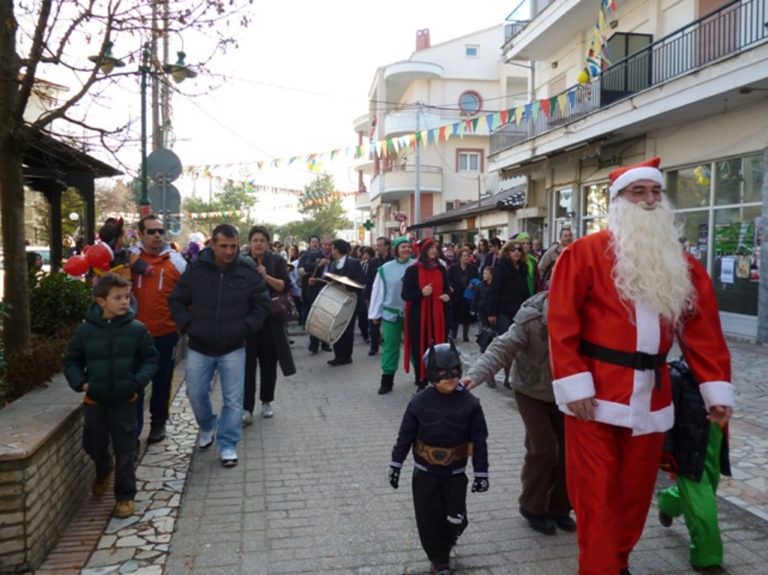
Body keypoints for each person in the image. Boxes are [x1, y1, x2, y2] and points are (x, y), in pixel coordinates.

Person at [547, 157, 733, 575]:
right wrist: (574, 385)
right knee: (595, 497)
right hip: (593, 397)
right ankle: (599, 568)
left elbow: (702, 330)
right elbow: (561, 323)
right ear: (619, 201)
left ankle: (616, 561)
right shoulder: (584, 254)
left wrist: (715, 389)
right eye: (639, 192)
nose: (649, 200)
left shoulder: (679, 262)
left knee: (634, 496)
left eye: (655, 192)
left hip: (653, 398)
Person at [463, 292, 574, 535]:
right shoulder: (530, 318)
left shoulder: (585, 312)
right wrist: (474, 376)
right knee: (544, 448)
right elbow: (501, 348)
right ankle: (532, 507)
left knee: (569, 452)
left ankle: (560, 507)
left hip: (567, 392)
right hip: (531, 390)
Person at [169, 224, 271, 468]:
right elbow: (176, 300)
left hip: (234, 347)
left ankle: (227, 444)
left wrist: (245, 328)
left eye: (233, 246)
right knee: (195, 393)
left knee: (234, 400)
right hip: (200, 345)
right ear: (212, 244)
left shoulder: (246, 271)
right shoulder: (196, 270)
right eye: (223, 246)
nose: (229, 251)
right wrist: (188, 326)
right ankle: (207, 425)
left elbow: (262, 304)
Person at [63, 273, 159, 519]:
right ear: (101, 301)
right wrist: (82, 383)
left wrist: (135, 382)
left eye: (127, 297)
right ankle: (103, 467)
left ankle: (125, 497)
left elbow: (151, 359)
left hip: (124, 401)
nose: (125, 302)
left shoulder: (137, 329)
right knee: (93, 444)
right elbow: (72, 360)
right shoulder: (85, 331)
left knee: (125, 449)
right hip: (95, 401)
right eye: (118, 297)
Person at [389, 341, 489, 575]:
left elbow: (480, 440)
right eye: (442, 372)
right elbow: (405, 436)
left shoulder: (470, 404)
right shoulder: (419, 402)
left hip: (455, 474)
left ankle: (449, 538)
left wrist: (481, 473)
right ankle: (439, 560)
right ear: (432, 373)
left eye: (454, 370)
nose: (450, 376)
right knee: (428, 517)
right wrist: (396, 465)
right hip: (424, 474)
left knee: (456, 517)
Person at [657, 359, 731, 574]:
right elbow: (666, 419)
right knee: (702, 503)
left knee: (702, 493)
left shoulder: (719, 372)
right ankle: (707, 558)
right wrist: (667, 454)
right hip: (687, 451)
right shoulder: (677, 376)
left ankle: (668, 501)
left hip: (712, 445)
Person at [130, 214, 187, 444]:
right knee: (134, 384)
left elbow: (189, 295)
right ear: (142, 234)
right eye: (151, 231)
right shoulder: (130, 259)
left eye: (160, 231)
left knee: (162, 381)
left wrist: (183, 325)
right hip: (133, 336)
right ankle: (132, 432)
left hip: (165, 333)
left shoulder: (177, 261)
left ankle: (158, 423)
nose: (157, 236)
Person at [242, 225, 295, 424]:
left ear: (268, 242)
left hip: (270, 320)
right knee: (247, 366)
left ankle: (266, 401)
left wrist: (265, 275)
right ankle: (246, 407)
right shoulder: (242, 261)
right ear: (250, 242)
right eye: (255, 240)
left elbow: (284, 286)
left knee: (268, 364)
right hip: (248, 321)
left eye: (262, 240)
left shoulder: (277, 260)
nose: (258, 244)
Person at [402, 238, 451, 390]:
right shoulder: (413, 270)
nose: (434, 251)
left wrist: (447, 296)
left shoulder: (441, 269)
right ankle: (421, 379)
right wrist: (421, 293)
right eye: (431, 248)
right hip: (418, 316)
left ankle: (436, 379)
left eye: (436, 248)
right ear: (424, 250)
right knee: (420, 348)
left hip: (438, 315)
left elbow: (447, 289)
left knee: (438, 347)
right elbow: (405, 294)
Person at [368, 237, 414, 394]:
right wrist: (375, 313)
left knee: (416, 346)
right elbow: (378, 292)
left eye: (408, 246)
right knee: (390, 347)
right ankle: (387, 381)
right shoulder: (385, 268)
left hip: (413, 314)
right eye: (403, 247)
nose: (406, 249)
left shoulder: (417, 266)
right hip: (391, 313)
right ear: (396, 249)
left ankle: (422, 377)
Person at [325, 238, 365, 366]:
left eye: (332, 248)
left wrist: (347, 285)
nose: (331, 251)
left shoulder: (354, 263)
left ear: (336, 249)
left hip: (350, 300)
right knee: (336, 326)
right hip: (336, 299)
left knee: (347, 328)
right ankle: (338, 355)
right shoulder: (332, 264)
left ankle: (346, 356)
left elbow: (361, 280)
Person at [488, 240, 531, 335]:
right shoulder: (500, 268)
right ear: (507, 252)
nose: (517, 252)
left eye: (519, 250)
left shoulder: (523, 268)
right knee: (507, 337)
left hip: (519, 309)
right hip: (504, 309)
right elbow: (494, 291)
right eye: (513, 250)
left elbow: (525, 290)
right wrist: (492, 313)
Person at [302, 235, 334, 354]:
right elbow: (306, 266)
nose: (327, 247)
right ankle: (314, 343)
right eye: (325, 245)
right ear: (321, 245)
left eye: (330, 245)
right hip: (315, 289)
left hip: (329, 289)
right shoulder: (314, 255)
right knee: (315, 318)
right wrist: (318, 264)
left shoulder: (334, 256)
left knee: (327, 317)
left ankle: (325, 343)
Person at [365, 236, 393, 356]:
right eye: (377, 245)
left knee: (389, 322)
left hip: (390, 296)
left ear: (387, 246)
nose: (377, 247)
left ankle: (388, 344)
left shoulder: (393, 261)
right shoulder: (373, 262)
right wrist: (367, 296)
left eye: (380, 245)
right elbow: (369, 279)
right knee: (374, 322)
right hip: (376, 296)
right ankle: (374, 346)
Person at [447, 247, 478, 342]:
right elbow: (447, 279)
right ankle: (454, 333)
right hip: (456, 294)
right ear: (459, 257)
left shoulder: (473, 268)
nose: (466, 258)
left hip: (468, 295)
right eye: (464, 256)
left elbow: (478, 279)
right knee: (455, 315)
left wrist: (473, 284)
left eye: (468, 256)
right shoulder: (453, 268)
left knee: (467, 316)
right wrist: (450, 286)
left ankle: (465, 335)